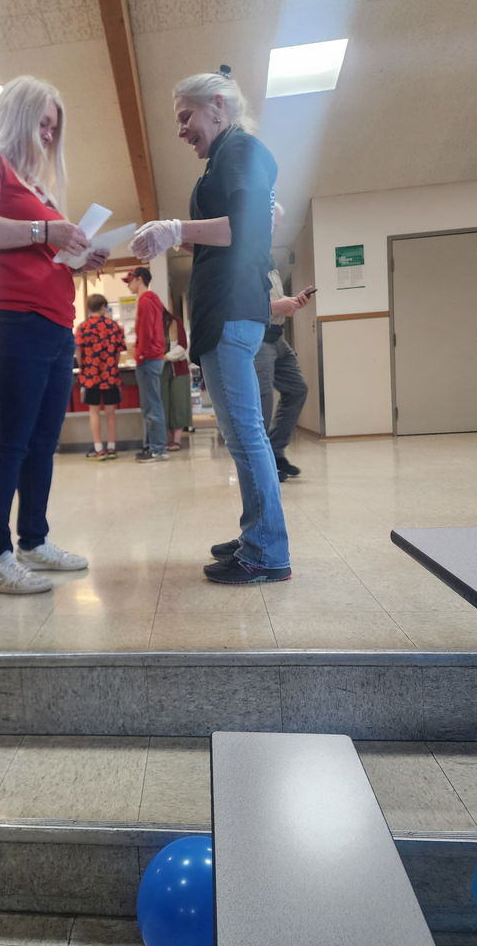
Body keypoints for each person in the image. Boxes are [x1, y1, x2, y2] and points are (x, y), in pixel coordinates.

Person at [0, 74, 107, 595]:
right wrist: (45, 230)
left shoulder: (34, 185)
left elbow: (41, 248)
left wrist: (78, 257)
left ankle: (33, 542)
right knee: (9, 441)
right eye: (41, 123)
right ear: (16, 115)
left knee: (41, 441)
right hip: (7, 318)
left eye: (53, 129)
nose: (47, 137)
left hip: (54, 322)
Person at [130, 69, 291, 585]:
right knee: (244, 435)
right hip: (230, 307)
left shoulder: (240, 151)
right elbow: (250, 223)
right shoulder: (228, 157)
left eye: (186, 117)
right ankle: (255, 534)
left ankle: (267, 551)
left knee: (246, 436)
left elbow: (243, 229)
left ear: (219, 105)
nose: (181, 130)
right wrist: (181, 236)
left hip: (230, 309)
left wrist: (176, 226)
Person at [255, 266, 312, 482]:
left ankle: (276, 452)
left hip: (277, 336)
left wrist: (292, 302)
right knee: (263, 402)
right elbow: (239, 306)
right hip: (259, 337)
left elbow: (274, 302)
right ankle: (263, 464)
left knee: (297, 389)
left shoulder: (270, 264)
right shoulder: (245, 260)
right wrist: (277, 306)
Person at [123, 266, 168, 462]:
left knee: (151, 405)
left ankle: (156, 447)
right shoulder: (151, 300)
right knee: (151, 404)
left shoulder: (145, 301)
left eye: (130, 280)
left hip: (148, 358)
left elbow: (146, 332)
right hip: (152, 357)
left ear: (139, 279)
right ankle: (153, 446)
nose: (128, 285)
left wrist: (140, 355)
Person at [75, 293, 126, 460]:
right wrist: (112, 364)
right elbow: (119, 352)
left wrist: (86, 367)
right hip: (110, 374)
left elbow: (79, 353)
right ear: (103, 307)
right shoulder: (114, 326)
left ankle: (98, 448)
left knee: (94, 412)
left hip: (91, 375)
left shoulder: (82, 328)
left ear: (89, 308)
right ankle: (111, 447)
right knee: (111, 412)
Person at [161, 309, 192, 451]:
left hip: (178, 368)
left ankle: (177, 440)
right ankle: (168, 440)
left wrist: (164, 357)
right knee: (163, 404)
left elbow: (182, 346)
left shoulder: (175, 322)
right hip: (160, 371)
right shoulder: (151, 325)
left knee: (179, 403)